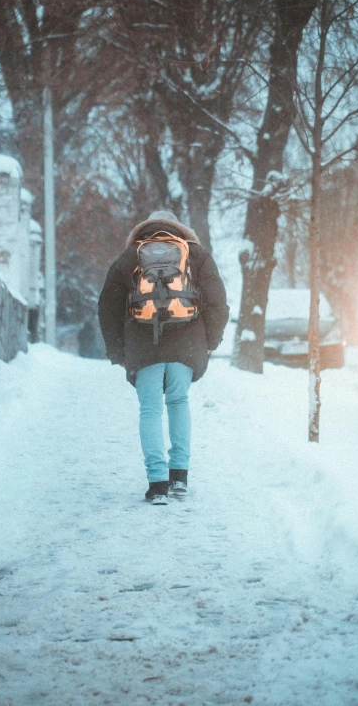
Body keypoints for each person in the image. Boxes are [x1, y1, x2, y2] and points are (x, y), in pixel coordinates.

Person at [98, 210, 229, 505]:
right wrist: (210, 341)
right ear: (180, 230)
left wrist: (117, 350)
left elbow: (107, 306)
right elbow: (217, 302)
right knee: (179, 402)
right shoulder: (196, 255)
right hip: (188, 341)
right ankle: (179, 476)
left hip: (142, 343)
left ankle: (157, 483)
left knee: (150, 410)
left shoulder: (130, 256)